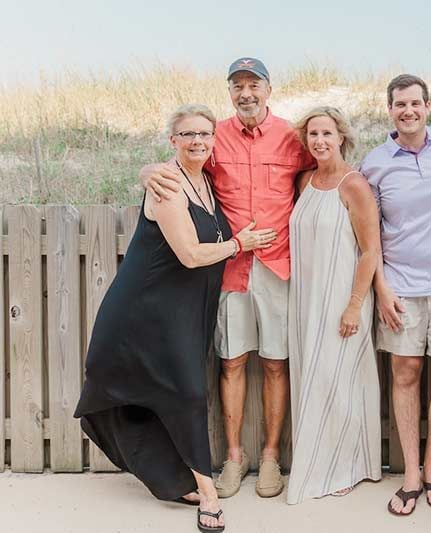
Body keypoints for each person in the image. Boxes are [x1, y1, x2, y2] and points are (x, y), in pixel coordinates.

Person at [75, 104, 276, 532]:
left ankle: (169, 478)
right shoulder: (168, 184)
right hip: (145, 311)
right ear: (173, 141)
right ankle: (207, 493)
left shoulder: (204, 179)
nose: (198, 141)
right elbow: (190, 254)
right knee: (187, 393)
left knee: (175, 390)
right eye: (187, 135)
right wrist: (241, 243)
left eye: (205, 133)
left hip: (181, 310)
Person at [139, 58, 314, 500]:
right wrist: (147, 171)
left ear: (269, 89)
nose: (246, 93)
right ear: (230, 93)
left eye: (254, 84)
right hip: (231, 268)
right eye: (237, 86)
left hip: (279, 266)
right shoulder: (214, 137)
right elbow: (178, 161)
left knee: (276, 363)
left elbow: (324, 165)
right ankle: (234, 458)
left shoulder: (293, 137)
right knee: (232, 362)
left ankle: (272, 456)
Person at [360, 74, 431, 516]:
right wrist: (381, 289)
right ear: (389, 110)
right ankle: (412, 473)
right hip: (400, 289)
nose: (407, 111)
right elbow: (368, 237)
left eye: (415, 103)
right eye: (399, 105)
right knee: (405, 373)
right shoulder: (375, 163)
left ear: (429, 106)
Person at [286, 106, 382, 504]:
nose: (320, 141)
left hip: (344, 294)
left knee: (342, 381)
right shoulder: (305, 180)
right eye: (313, 135)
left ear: (341, 136)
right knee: (315, 377)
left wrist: (354, 305)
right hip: (307, 297)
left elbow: (370, 250)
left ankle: (349, 466)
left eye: (327, 133)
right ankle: (316, 459)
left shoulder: (354, 184)